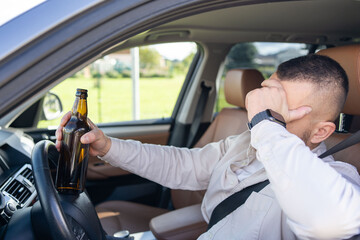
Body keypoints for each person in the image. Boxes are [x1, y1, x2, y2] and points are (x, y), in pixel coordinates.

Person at [56, 54, 360, 240]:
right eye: (264, 102)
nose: (261, 117)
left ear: (321, 131)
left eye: (277, 109)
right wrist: (107, 146)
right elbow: (181, 165)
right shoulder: (245, 143)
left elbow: (331, 223)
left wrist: (267, 123)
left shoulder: (339, 177)